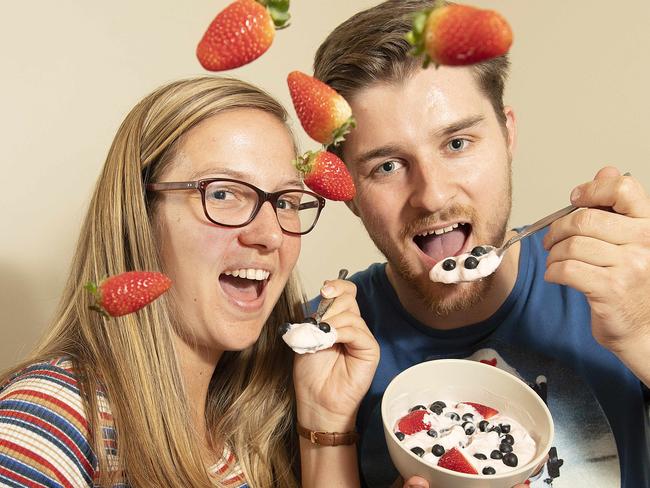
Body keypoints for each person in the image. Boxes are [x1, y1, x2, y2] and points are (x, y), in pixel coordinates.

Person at [310, 1, 650, 487]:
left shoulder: (625, 288)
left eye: (457, 144)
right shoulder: (323, 348)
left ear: (508, 133)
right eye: (386, 166)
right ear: (347, 190)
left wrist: (643, 330)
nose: (432, 195)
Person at [0, 76, 380, 487]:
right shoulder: (49, 421)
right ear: (140, 217)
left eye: (285, 201)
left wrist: (325, 422)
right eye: (222, 193)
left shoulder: (242, 438)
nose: (270, 235)